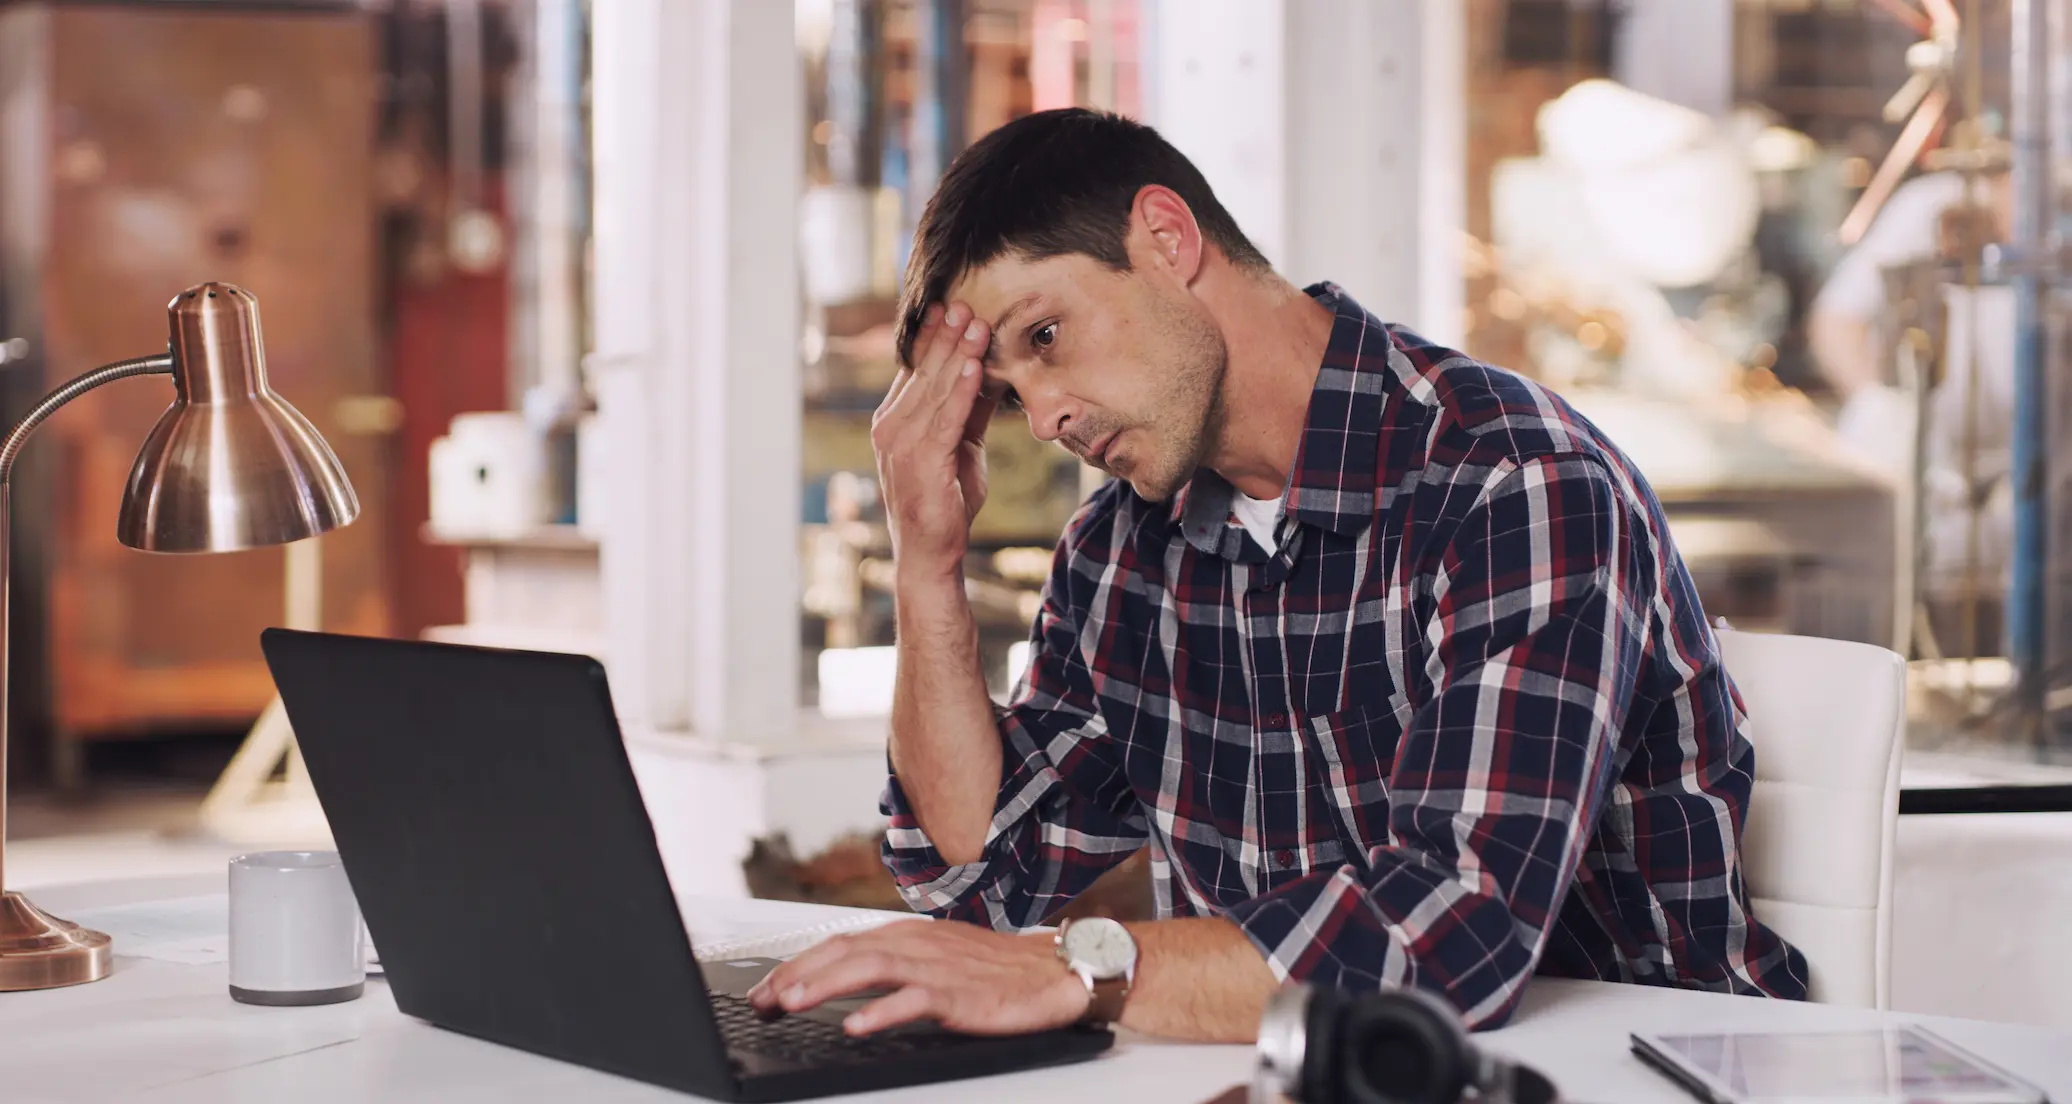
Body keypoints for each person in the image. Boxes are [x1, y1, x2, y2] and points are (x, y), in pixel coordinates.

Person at [750, 108, 1808, 1043]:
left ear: (1166, 239)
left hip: (1625, 1068)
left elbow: (1453, 937)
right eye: (1009, 394)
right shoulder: (1120, 552)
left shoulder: (1509, 485)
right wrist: (926, 562)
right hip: (1296, 1072)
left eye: (1046, 335)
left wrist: (1078, 970)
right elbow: (977, 879)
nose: (1047, 417)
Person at [1808, 168, 2015, 598]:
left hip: (2014, 502)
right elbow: (1836, 322)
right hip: (1904, 480)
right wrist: (1881, 409)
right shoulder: (1933, 206)